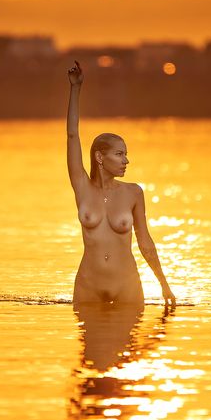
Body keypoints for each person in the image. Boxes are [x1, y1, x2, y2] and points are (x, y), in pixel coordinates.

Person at [66, 60, 176, 308]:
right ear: (99, 157)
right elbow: (72, 135)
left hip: (128, 287)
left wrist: (164, 284)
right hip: (88, 287)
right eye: (119, 154)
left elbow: (145, 241)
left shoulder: (133, 192)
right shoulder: (82, 186)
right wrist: (75, 89)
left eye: (125, 153)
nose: (126, 160)